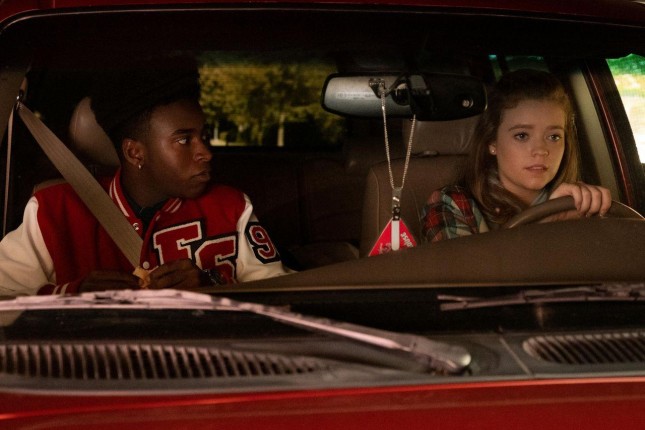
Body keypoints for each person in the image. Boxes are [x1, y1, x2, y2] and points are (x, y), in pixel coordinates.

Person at [0, 55, 291, 296]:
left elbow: (285, 294)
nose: (206, 153)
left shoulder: (230, 206)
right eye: (184, 140)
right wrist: (71, 293)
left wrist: (212, 284)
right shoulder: (55, 210)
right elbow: (5, 293)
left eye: (203, 136)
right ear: (135, 153)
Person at [421, 69, 612, 242]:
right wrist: (545, 228)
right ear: (492, 142)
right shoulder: (452, 204)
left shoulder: (580, 205)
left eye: (554, 136)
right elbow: (462, 270)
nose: (541, 150)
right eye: (522, 136)